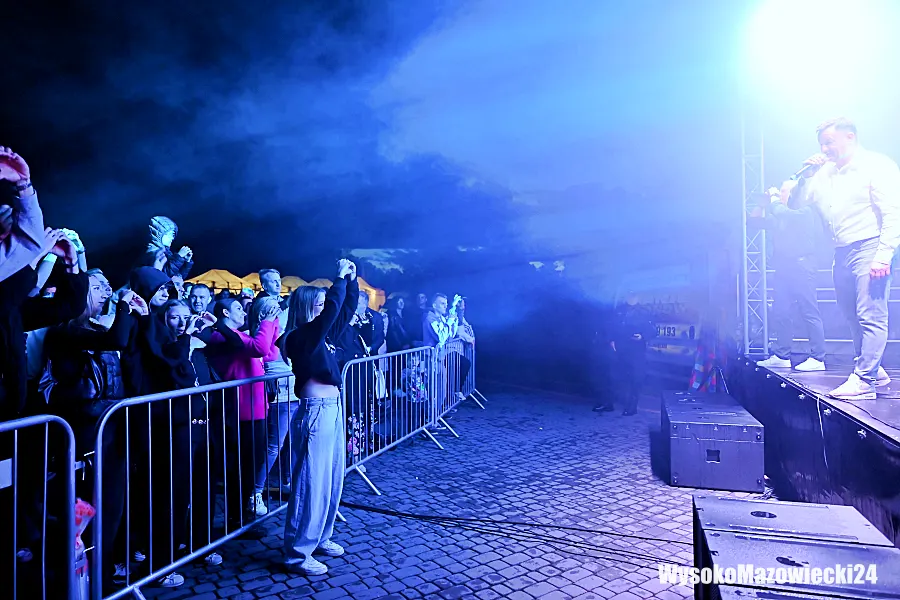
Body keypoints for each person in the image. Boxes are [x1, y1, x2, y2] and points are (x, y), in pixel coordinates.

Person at [803, 118, 900, 399]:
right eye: (821, 144)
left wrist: (883, 256)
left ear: (850, 137)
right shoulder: (824, 173)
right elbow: (796, 203)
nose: (824, 148)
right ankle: (875, 371)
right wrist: (807, 175)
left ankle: (865, 379)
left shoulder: (876, 165)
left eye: (829, 142)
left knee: (871, 314)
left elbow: (894, 212)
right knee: (851, 314)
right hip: (842, 251)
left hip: (871, 245)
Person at [280, 259, 359, 576]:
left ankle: (320, 537)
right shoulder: (299, 336)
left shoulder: (320, 335)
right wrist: (338, 279)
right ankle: (297, 554)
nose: (327, 308)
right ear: (307, 306)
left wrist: (351, 282)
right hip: (315, 412)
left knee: (332, 479)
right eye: (321, 304)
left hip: (332, 409)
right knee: (310, 484)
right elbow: (332, 312)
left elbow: (344, 311)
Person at [756, 177, 827, 372]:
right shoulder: (780, 215)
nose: (780, 195)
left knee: (809, 311)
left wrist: (773, 201)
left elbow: (783, 212)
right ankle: (782, 355)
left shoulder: (805, 212)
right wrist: (762, 204)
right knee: (781, 311)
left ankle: (818, 357)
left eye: (783, 191)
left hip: (802, 267)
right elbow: (753, 222)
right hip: (783, 269)